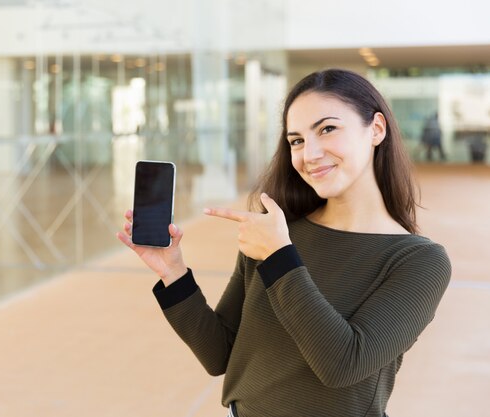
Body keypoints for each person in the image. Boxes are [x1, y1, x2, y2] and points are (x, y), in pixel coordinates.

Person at [116, 69, 451, 417]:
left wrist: (280, 256)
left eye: (327, 129)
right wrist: (174, 273)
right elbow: (220, 355)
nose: (310, 154)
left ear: (376, 129)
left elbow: (342, 364)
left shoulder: (419, 261)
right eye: (297, 140)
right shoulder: (277, 234)